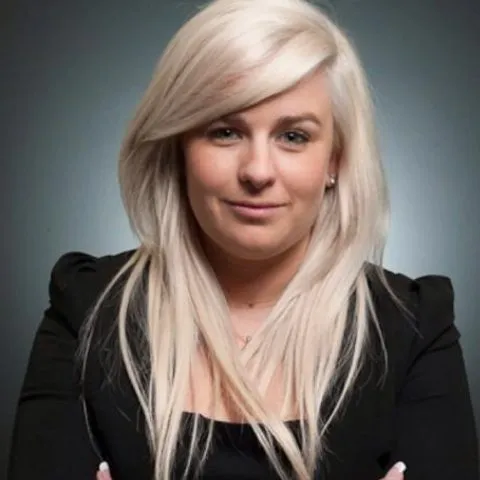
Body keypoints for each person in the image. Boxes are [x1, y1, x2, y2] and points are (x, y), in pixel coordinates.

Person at [7, 0, 479, 479]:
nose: (257, 171)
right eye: (225, 131)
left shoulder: (415, 327)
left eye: (293, 136)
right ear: (178, 147)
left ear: (334, 160)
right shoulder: (85, 307)